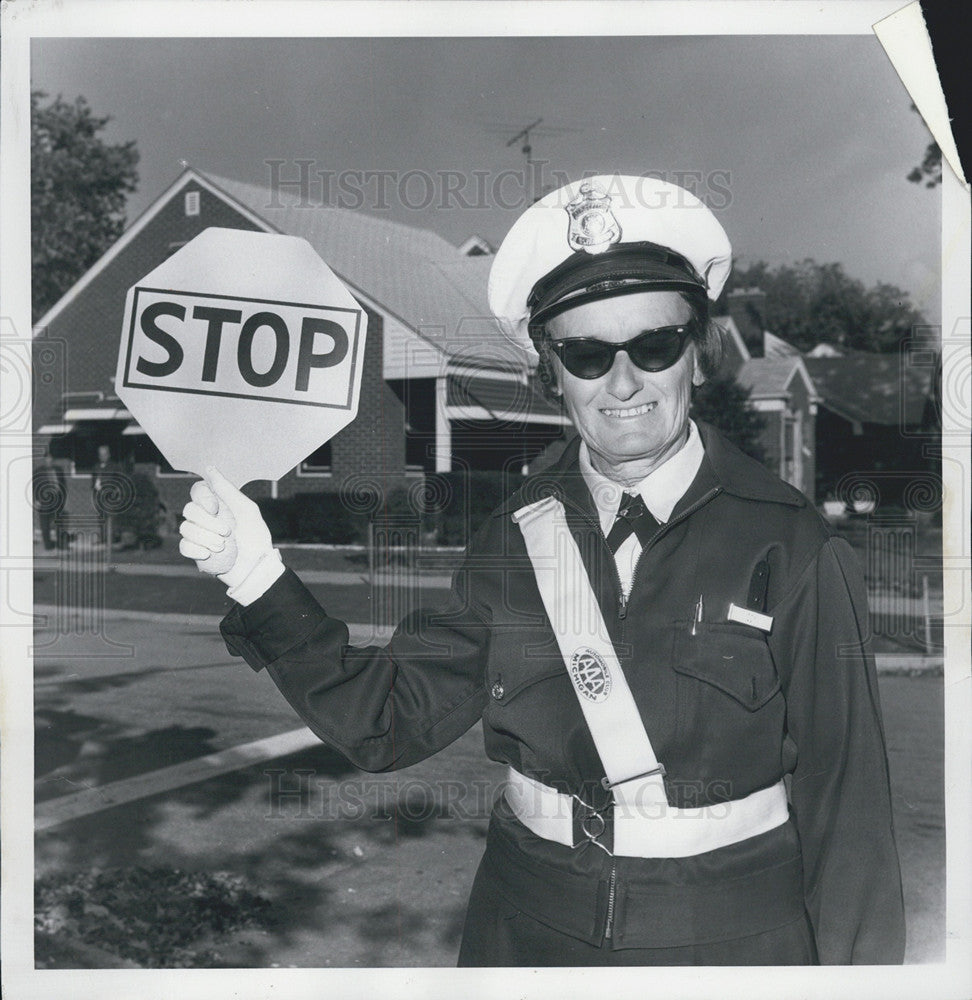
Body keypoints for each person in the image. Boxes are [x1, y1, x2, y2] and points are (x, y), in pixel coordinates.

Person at [179, 175, 905, 966]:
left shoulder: (792, 543)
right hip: (522, 930)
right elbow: (382, 724)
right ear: (551, 373)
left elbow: (851, 814)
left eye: (654, 345)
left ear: (695, 355)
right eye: (588, 354)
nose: (623, 382)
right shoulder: (516, 536)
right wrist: (255, 573)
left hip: (725, 940)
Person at [33, 450, 68, 550]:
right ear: (44, 460)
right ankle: (48, 545)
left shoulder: (58, 470)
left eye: (51, 459)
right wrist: (36, 500)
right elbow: (34, 487)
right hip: (44, 501)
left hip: (57, 501)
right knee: (45, 524)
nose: (49, 461)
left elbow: (63, 485)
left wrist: (63, 499)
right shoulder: (38, 472)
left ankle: (61, 544)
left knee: (59, 523)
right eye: (47, 459)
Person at [91, 444, 122, 546]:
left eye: (104, 454)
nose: (102, 456)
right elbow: (93, 480)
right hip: (98, 495)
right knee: (100, 518)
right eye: (100, 454)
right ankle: (102, 538)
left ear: (108, 455)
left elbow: (119, 481)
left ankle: (111, 540)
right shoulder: (96, 466)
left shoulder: (114, 466)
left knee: (111, 518)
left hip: (109, 496)